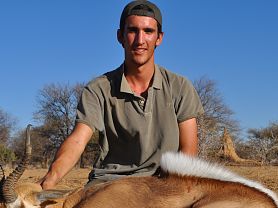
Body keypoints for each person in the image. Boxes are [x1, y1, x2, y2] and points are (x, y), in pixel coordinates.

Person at [40, 0, 203, 190]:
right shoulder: (98, 89)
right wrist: (51, 178)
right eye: (133, 30)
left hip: (161, 185)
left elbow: (188, 151)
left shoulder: (180, 86)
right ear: (120, 36)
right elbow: (78, 139)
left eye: (148, 31)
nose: (140, 40)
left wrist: (172, 191)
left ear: (159, 38)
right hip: (109, 185)